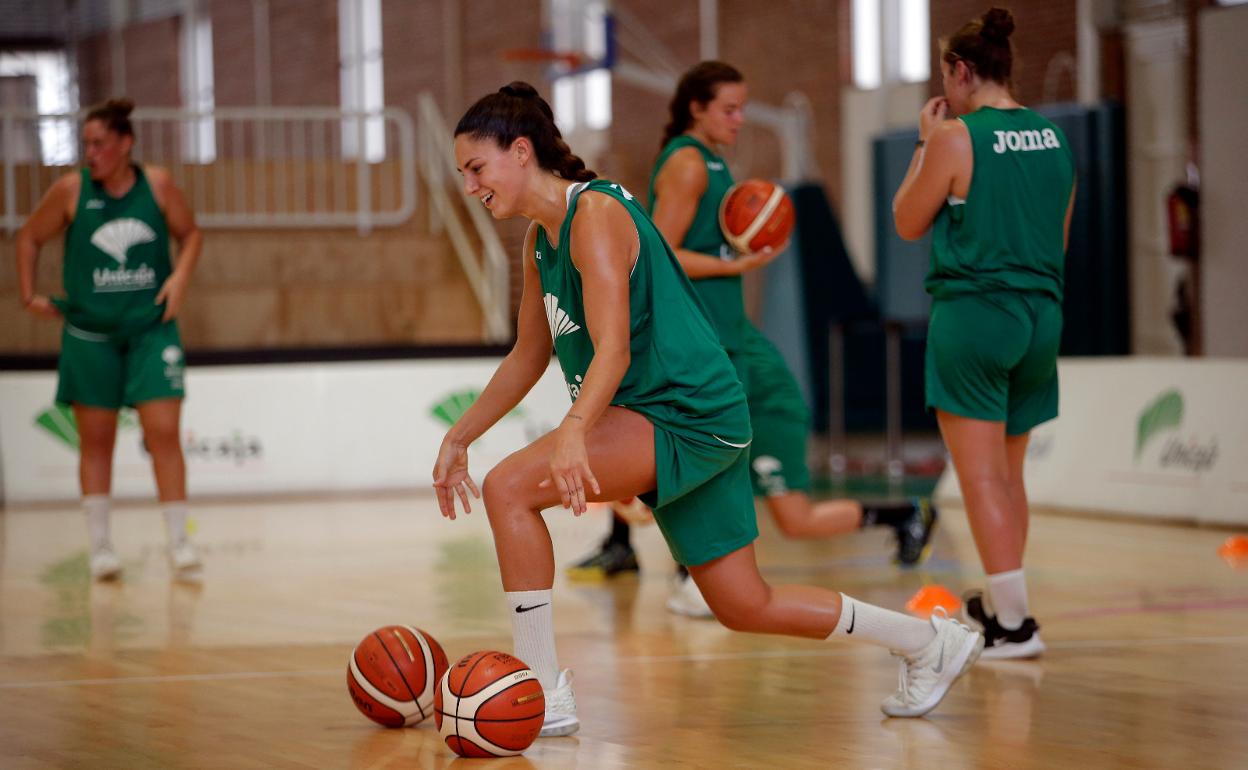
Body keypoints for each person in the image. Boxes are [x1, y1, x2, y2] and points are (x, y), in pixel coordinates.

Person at [433, 82, 982, 736]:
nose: (470, 185)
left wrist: (575, 430)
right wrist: (461, 436)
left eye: (476, 168)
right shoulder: (540, 241)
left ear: (521, 152)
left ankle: (541, 688)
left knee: (509, 489)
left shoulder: (595, 216)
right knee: (746, 604)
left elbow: (613, 348)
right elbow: (529, 355)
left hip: (682, 413)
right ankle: (928, 642)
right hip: (680, 416)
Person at [567, 61, 938, 617]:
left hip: (735, 348)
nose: (740, 119)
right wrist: (736, 265)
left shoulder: (708, 160)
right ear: (697, 108)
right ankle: (662, 559)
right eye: (729, 109)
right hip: (709, 348)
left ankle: (897, 516)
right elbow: (656, 259)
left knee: (789, 514)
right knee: (690, 460)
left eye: (742, 108)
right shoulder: (689, 166)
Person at [892, 8, 1076, 659]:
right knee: (1011, 475)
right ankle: (1003, 609)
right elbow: (1057, 236)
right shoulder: (1055, 138)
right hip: (1041, 316)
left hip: (976, 314)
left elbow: (908, 219)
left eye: (947, 74)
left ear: (962, 72)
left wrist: (924, 140)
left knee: (981, 481)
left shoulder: (957, 136)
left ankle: (1016, 627)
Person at [15, 98, 204, 582]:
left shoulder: (157, 185)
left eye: (100, 143)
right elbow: (28, 237)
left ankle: (180, 542)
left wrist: (180, 279)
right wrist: (28, 293)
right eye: (86, 144)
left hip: (150, 328)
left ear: (125, 144)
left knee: (163, 433)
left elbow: (192, 234)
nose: (90, 152)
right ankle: (100, 547)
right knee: (96, 441)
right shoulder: (69, 191)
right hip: (89, 333)